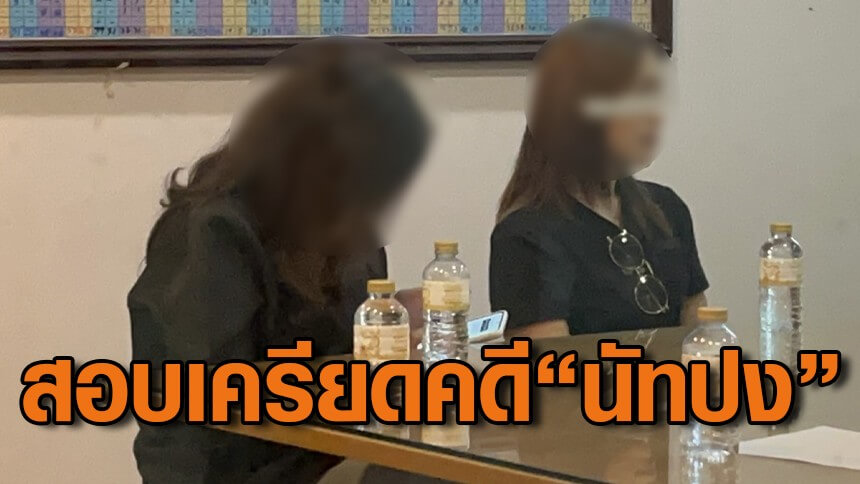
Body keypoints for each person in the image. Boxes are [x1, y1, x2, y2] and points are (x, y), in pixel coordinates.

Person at [127, 42, 429, 483]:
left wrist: (394, 321)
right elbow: (212, 391)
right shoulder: (210, 230)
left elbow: (339, 349)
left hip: (335, 454)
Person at [490, 19, 708, 339]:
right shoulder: (525, 236)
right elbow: (551, 364)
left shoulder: (667, 209)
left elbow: (699, 334)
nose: (654, 115)